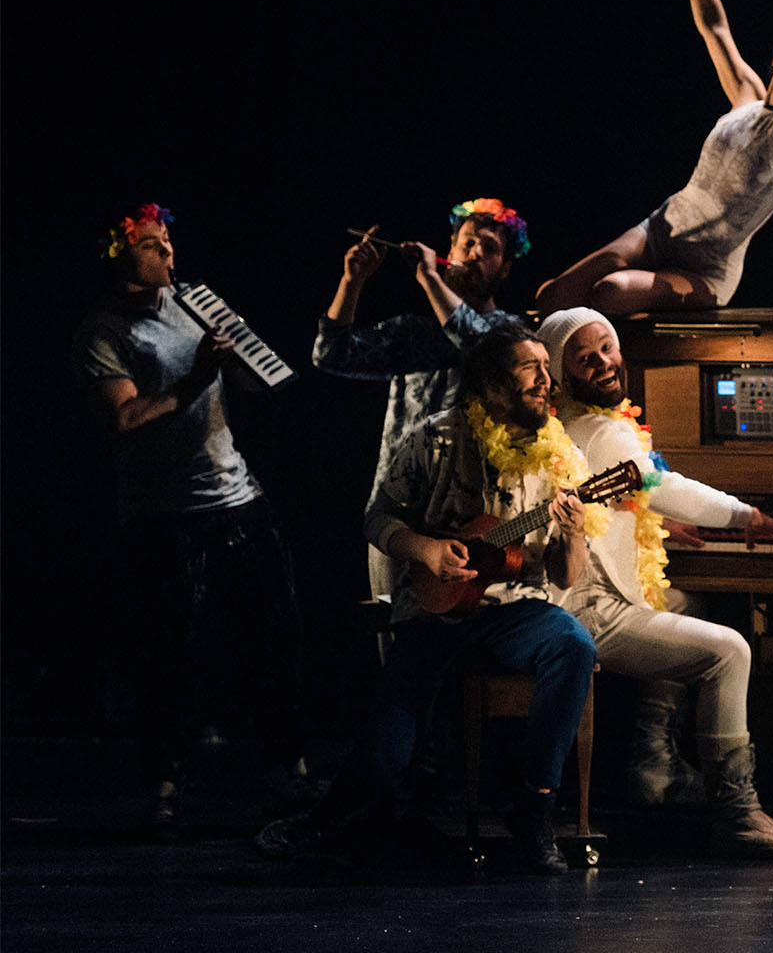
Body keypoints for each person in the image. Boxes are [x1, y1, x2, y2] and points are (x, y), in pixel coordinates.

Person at [259, 326, 598, 874]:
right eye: (529, 367)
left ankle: (535, 809)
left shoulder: (563, 461)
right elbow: (377, 517)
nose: (546, 378)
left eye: (545, 365)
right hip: (434, 610)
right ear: (490, 384)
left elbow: (564, 578)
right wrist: (428, 549)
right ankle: (325, 819)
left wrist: (574, 530)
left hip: (515, 610)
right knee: (390, 749)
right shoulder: (434, 438)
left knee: (575, 646)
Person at [72, 203, 318, 839]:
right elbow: (122, 421)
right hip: (165, 515)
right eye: (153, 245)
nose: (169, 255)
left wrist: (237, 354)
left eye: (169, 242)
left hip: (237, 496)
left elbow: (267, 383)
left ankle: (285, 769)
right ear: (119, 256)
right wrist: (193, 379)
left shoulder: (196, 301)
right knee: (169, 651)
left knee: (277, 634)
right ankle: (163, 778)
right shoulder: (105, 330)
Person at [534, 308, 773, 857]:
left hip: (585, 592)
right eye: (585, 358)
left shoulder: (570, 424)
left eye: (608, 348)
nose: (604, 363)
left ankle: (655, 764)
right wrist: (749, 517)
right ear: (562, 374)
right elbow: (662, 483)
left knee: (687, 600)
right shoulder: (601, 429)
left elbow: (618, 494)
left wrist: (654, 519)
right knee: (729, 652)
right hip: (584, 605)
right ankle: (738, 811)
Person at [535, 0, 773, 313]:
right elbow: (714, 26)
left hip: (708, 269)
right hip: (660, 231)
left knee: (610, 292)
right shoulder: (746, 96)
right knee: (553, 295)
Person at [312, 198, 528, 600]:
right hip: (399, 520)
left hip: (472, 525)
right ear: (450, 251)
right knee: (397, 649)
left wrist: (430, 279)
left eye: (490, 248)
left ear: (505, 268)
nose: (475, 252)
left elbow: (482, 348)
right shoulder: (413, 332)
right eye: (467, 243)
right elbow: (329, 355)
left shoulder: (509, 334)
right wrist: (352, 281)